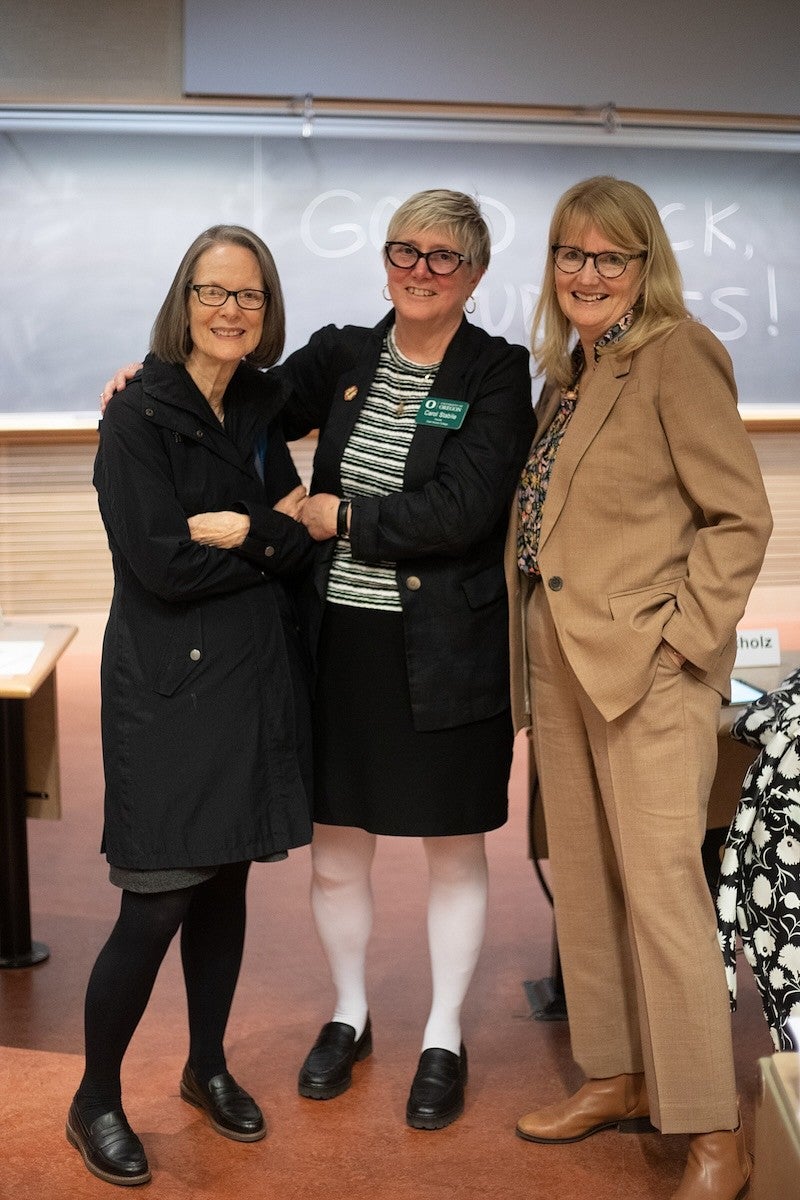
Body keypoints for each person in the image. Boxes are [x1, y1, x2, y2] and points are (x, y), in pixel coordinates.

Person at [104, 189, 536, 1130]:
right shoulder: (343, 351)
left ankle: (444, 1034)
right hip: (334, 643)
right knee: (338, 851)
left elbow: (462, 512)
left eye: (443, 257)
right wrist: (145, 382)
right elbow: (239, 391)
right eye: (403, 252)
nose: (419, 271)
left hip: (446, 652)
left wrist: (340, 516)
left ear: (474, 272)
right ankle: (349, 1014)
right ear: (385, 260)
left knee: (452, 849)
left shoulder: (498, 371)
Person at [505, 176, 772, 1200]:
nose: (585, 273)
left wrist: (684, 646)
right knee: (585, 880)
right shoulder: (568, 371)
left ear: (644, 265)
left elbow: (736, 517)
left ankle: (713, 1130)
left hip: (644, 671)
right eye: (571, 255)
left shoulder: (677, 354)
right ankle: (615, 1074)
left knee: (662, 896)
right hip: (557, 659)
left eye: (607, 257)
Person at [69, 225, 315, 1187]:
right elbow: (159, 565)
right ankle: (95, 1098)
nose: (229, 310)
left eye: (247, 296)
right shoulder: (137, 414)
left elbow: (297, 541)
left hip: (248, 684)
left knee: (225, 885)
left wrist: (252, 533)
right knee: (158, 897)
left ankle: (205, 1065)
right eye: (212, 292)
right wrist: (267, 543)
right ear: (184, 301)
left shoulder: (259, 405)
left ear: (266, 310)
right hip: (168, 690)